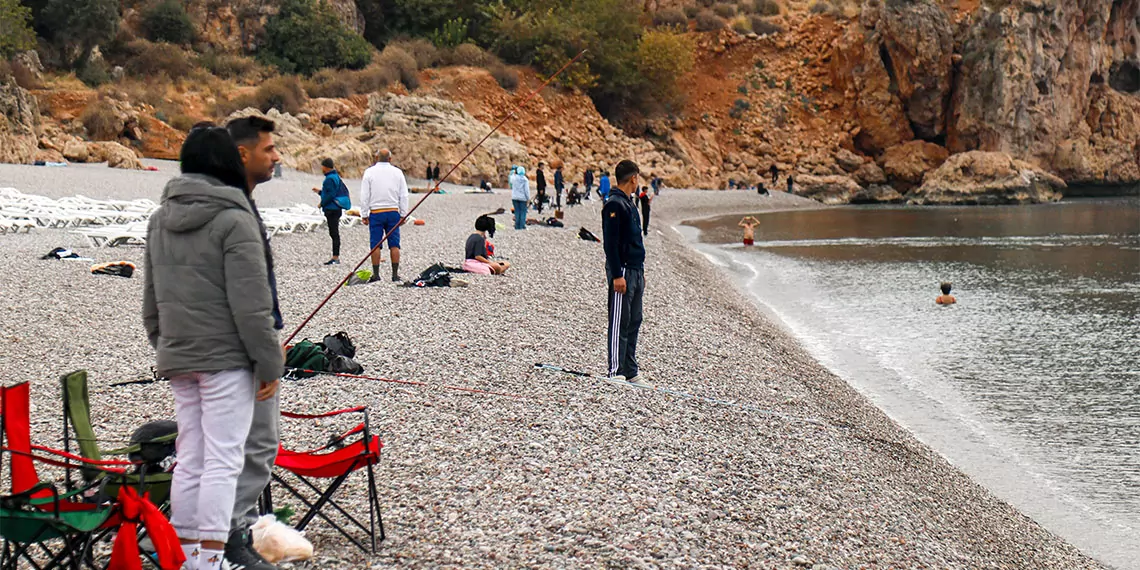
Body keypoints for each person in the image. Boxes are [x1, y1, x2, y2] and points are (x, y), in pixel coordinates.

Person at [144, 125, 284, 570]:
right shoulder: (235, 218)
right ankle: (209, 560)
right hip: (227, 362)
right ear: (227, 162)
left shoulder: (158, 218)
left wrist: (166, 345)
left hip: (179, 355)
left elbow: (152, 301)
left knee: (190, 460)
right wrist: (269, 364)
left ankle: (183, 556)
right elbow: (252, 305)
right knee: (224, 461)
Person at [223, 116, 285, 570]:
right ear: (243, 154)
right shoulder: (235, 210)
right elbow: (248, 295)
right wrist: (265, 355)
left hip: (220, 347)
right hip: (241, 351)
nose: (277, 157)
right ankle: (231, 535)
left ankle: (204, 534)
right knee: (256, 445)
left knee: (225, 448)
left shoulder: (222, 204)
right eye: (269, 149)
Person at [602, 160, 648, 386]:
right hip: (622, 271)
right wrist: (616, 275)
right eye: (638, 178)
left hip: (636, 269)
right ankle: (615, 370)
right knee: (619, 320)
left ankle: (631, 370)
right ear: (633, 178)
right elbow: (610, 244)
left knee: (634, 320)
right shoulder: (614, 204)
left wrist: (640, 272)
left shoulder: (630, 204)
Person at [360, 149, 409, 283]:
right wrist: (403, 214)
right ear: (390, 159)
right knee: (394, 244)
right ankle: (394, 275)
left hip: (376, 212)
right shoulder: (397, 173)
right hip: (393, 211)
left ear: (376, 158)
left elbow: (365, 195)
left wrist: (364, 214)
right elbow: (403, 195)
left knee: (375, 244)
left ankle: (376, 274)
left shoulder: (369, 172)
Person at [312, 158, 350, 265]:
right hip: (336, 208)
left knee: (334, 233)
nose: (322, 169)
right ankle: (335, 256)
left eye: (322, 166)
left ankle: (335, 257)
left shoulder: (329, 179)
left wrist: (321, 203)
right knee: (334, 232)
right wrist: (319, 192)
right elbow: (331, 192)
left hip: (332, 209)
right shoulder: (335, 177)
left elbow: (330, 195)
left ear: (326, 167)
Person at [510, 166, 529, 230]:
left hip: (514, 197)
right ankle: (522, 225)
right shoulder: (525, 179)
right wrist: (528, 198)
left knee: (517, 211)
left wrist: (514, 173)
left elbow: (511, 180)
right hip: (523, 198)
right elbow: (526, 190)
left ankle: (517, 225)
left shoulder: (513, 178)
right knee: (523, 212)